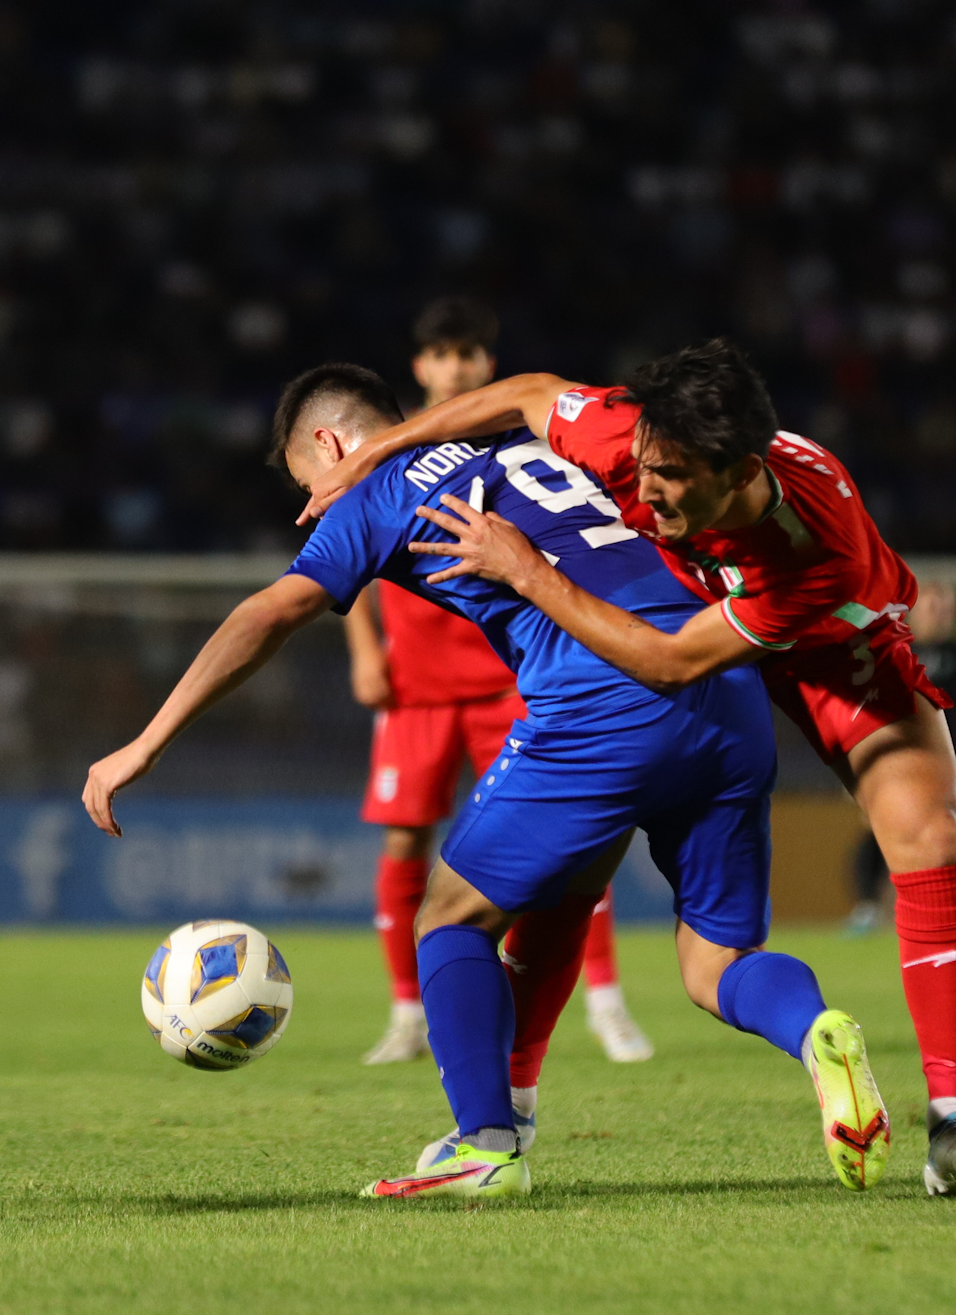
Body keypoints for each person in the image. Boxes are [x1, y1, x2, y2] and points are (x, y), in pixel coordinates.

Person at [83, 364, 889, 1200]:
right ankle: (815, 1030)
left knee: (449, 918)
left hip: (604, 698)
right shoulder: (523, 435)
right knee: (715, 962)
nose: (310, 506)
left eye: (304, 486)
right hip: (723, 681)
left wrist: (144, 743)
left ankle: (485, 1146)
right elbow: (532, 388)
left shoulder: (372, 491)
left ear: (330, 445)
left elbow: (267, 613)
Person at [299, 339, 956, 1198]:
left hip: (823, 644)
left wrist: (528, 571)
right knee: (576, 886)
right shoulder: (639, 438)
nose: (641, 490)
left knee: (928, 837)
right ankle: (514, 1108)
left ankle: (954, 1123)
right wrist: (381, 447)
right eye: (641, 466)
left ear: (738, 472)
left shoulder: (813, 555)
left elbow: (673, 662)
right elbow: (531, 393)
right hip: (699, 629)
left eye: (668, 478)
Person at [349, 296, 647, 1066]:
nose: (454, 367)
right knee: (406, 839)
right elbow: (340, 556)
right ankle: (406, 1014)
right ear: (420, 366)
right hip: (415, 681)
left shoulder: (520, 432)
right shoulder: (383, 447)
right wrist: (363, 648)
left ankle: (608, 1004)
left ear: (488, 362)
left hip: (509, 674)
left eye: (468, 354)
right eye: (441, 355)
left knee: (578, 839)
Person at [846, 583, 956, 936]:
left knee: (943, 836)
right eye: (934, 607)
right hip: (895, 760)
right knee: (877, 832)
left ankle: (936, 911)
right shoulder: (895, 647)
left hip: (946, 762)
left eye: (945, 608)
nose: (940, 615)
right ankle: (867, 907)